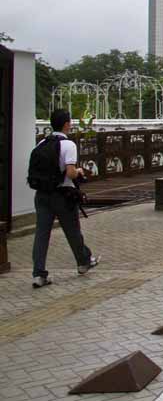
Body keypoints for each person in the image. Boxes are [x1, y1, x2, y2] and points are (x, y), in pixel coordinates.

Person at [30, 109, 101, 289]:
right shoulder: (68, 145)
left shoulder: (41, 143)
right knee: (72, 230)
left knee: (41, 234)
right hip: (62, 195)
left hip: (42, 195)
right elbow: (70, 172)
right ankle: (83, 262)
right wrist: (78, 171)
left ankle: (38, 274)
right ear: (67, 124)